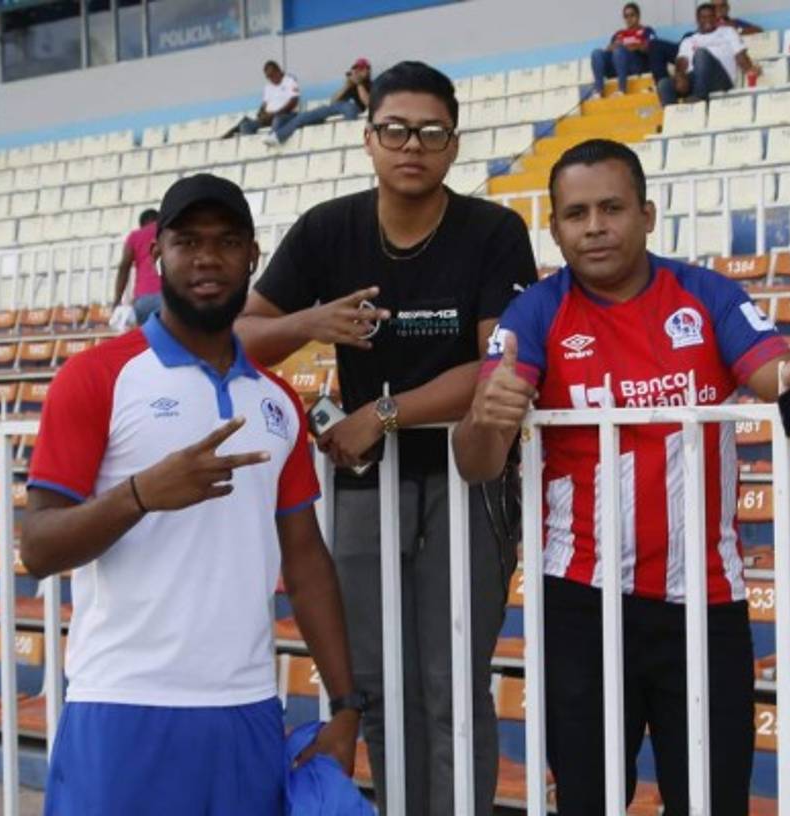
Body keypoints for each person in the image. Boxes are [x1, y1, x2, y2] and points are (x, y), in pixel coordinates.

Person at [451, 139, 790, 815]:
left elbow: (772, 371)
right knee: (588, 799)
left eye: (612, 208)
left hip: (705, 598)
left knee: (712, 799)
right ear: (556, 228)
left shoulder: (705, 294)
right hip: (579, 600)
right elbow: (476, 461)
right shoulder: (535, 314)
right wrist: (486, 420)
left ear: (648, 214)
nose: (595, 226)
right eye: (577, 213)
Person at [235, 61, 538, 815]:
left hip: (471, 478)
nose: (413, 146)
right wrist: (309, 324)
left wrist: (386, 411)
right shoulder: (328, 229)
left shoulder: (493, 231)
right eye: (396, 130)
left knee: (450, 682)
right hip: (366, 482)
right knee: (374, 680)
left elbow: (499, 365)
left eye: (431, 132)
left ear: (454, 145)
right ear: (368, 140)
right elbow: (240, 334)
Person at [24, 174, 361, 814]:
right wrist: (141, 495)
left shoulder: (277, 400)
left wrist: (345, 707)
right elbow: (38, 547)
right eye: (187, 241)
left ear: (253, 258)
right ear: (157, 256)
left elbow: (306, 557)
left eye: (227, 241)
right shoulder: (95, 377)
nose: (207, 257)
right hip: (123, 705)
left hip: (244, 709)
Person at [657, 3, 760, 106]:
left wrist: (750, 68)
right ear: (697, 20)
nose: (708, 20)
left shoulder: (728, 32)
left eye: (711, 16)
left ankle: (699, 98)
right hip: (695, 79)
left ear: (716, 18)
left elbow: (740, 55)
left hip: (721, 80)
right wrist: (680, 76)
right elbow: (682, 62)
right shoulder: (688, 40)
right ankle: (675, 118)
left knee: (701, 54)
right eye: (703, 17)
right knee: (664, 84)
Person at [264, 58, 373, 147]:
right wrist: (347, 85)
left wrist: (359, 84)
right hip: (340, 108)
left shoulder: (373, 85)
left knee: (349, 106)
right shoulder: (350, 86)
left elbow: (368, 104)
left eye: (361, 69)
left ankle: (349, 135)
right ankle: (278, 136)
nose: (357, 72)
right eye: (355, 69)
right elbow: (333, 102)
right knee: (305, 116)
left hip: (356, 110)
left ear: (368, 70)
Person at [590, 3, 676, 95]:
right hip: (617, 65)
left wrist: (634, 46)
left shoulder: (646, 30)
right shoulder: (619, 34)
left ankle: (621, 89)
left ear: (638, 16)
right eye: (626, 16)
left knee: (619, 51)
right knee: (596, 53)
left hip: (636, 65)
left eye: (632, 15)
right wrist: (614, 46)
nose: (629, 19)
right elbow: (608, 50)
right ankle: (599, 91)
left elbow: (653, 49)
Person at [224, 60, 300, 138]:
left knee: (277, 119)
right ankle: (254, 145)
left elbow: (293, 101)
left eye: (272, 75)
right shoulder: (268, 87)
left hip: (285, 115)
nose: (270, 78)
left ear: (278, 71)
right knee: (245, 125)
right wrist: (261, 114)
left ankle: (271, 139)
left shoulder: (290, 80)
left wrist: (275, 113)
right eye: (268, 77)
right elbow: (264, 104)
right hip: (269, 118)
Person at [113, 208, 161, 325]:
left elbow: (124, 267)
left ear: (142, 224)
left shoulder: (135, 236)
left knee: (148, 339)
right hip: (170, 297)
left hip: (144, 299)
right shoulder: (167, 231)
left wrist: (117, 300)